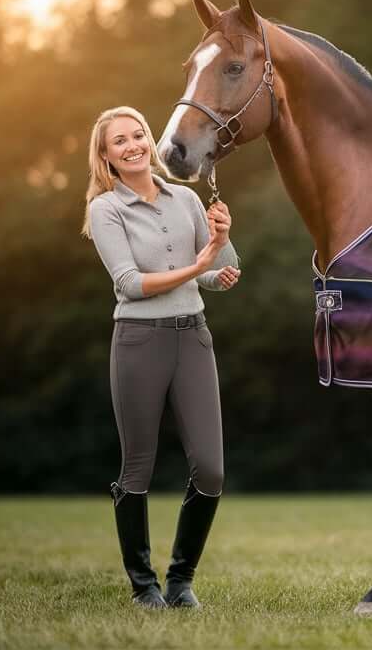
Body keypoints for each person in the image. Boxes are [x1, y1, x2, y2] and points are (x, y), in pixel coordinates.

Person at [81, 106, 241, 608]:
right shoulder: (105, 209)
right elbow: (129, 283)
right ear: (105, 155)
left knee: (211, 470)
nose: (131, 145)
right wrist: (196, 266)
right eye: (119, 141)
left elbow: (218, 273)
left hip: (192, 337)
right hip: (138, 341)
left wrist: (221, 239)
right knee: (138, 469)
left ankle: (180, 580)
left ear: (150, 140)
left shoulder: (187, 197)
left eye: (138, 135)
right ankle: (143, 586)